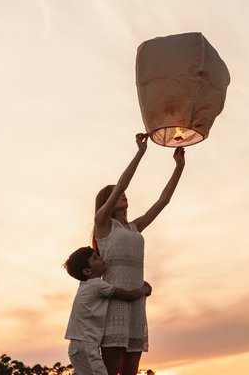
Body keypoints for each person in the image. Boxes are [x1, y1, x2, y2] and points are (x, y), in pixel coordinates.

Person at [93, 133, 185, 375]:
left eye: (122, 193)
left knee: (131, 372)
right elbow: (123, 184)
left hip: (137, 303)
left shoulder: (135, 227)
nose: (123, 194)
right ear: (107, 202)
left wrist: (179, 167)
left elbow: (163, 201)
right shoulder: (103, 223)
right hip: (115, 302)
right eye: (115, 194)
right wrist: (140, 152)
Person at [63, 246, 152, 375]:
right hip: (86, 346)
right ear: (87, 271)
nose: (101, 258)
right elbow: (129, 295)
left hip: (78, 346)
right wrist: (145, 289)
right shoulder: (97, 285)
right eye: (95, 258)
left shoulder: (85, 287)